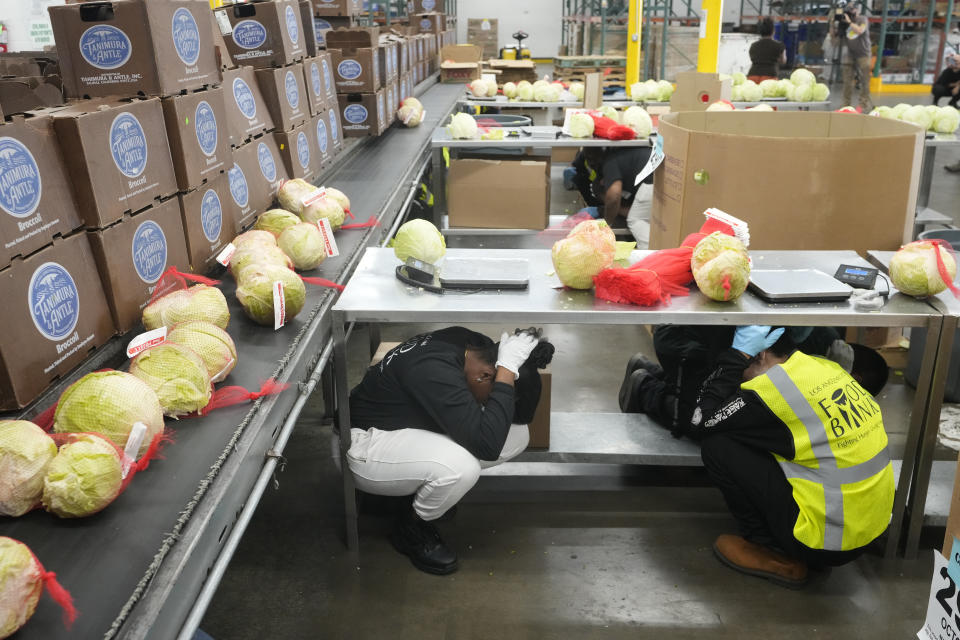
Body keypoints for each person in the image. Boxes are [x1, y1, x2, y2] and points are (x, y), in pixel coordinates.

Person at [694, 326, 894, 587]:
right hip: (869, 529)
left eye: (742, 369)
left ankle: (771, 551)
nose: (740, 382)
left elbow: (701, 418)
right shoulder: (825, 369)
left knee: (718, 444)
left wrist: (735, 356)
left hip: (825, 543)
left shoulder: (769, 391)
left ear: (761, 354)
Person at [347, 326, 553, 575]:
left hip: (401, 426)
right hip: (362, 444)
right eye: (490, 397)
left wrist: (515, 365)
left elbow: (521, 418)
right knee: (459, 468)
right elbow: (487, 447)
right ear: (485, 376)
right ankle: (410, 528)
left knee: (516, 436)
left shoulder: (476, 347)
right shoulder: (435, 371)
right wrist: (507, 371)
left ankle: (406, 496)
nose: (486, 404)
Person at [620, 325, 888, 440]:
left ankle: (650, 372)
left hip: (709, 347)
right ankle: (644, 387)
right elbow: (705, 417)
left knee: (708, 395)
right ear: (855, 379)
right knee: (693, 420)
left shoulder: (822, 343)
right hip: (686, 345)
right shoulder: (815, 361)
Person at [582, 146, 654, 244]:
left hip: (651, 179)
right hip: (661, 171)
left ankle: (649, 255)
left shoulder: (610, 162)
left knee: (636, 220)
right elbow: (632, 210)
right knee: (638, 216)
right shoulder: (622, 157)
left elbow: (614, 197)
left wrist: (607, 223)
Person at [835, 2, 874, 112]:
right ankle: (846, 103)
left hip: (863, 53)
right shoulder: (844, 22)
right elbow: (835, 40)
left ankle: (863, 104)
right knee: (847, 80)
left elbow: (860, 30)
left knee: (865, 79)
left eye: (852, 10)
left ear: (857, 10)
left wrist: (849, 22)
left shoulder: (862, 19)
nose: (850, 12)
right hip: (850, 53)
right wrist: (834, 25)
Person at [748, 18, 786, 82]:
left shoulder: (753, 45)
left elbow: (752, 58)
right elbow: (783, 61)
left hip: (752, 76)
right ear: (773, 31)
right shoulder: (779, 45)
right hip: (770, 76)